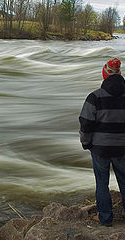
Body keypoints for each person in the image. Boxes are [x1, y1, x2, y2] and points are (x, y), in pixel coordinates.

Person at [79, 58, 125, 227]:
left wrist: (86, 143)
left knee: (102, 183)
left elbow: (86, 123)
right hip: (122, 148)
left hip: (100, 148)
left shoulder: (95, 97)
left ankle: (105, 218)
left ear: (104, 75)